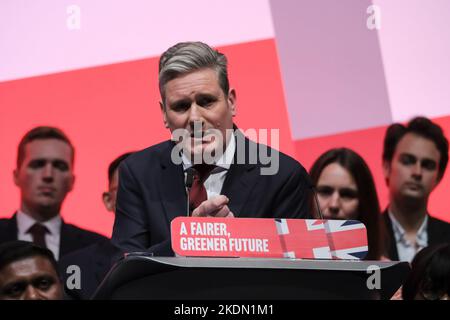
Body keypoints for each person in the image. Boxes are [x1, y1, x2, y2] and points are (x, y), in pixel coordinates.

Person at [112, 41, 311, 255]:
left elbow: (294, 278)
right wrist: (190, 239)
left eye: (206, 101)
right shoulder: (138, 173)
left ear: (231, 102)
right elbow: (125, 267)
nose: (195, 118)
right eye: (181, 106)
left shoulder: (283, 177)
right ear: (164, 114)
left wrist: (227, 242)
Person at [0, 126, 107, 260]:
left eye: (59, 166)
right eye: (37, 164)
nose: (48, 175)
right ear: (16, 176)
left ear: (72, 181)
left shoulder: (98, 248)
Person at [59, 152, 133, 300]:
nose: (140, 197)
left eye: (150, 189)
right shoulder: (73, 267)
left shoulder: (185, 261)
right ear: (108, 200)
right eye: (128, 189)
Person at [382, 117, 450, 262]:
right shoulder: (365, 237)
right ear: (387, 167)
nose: (417, 172)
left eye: (428, 165)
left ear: (439, 176)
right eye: (407, 161)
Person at [309, 148, 385, 260]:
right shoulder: (283, 267)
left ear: (364, 204)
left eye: (347, 195)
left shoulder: (386, 273)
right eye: (325, 191)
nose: (334, 205)